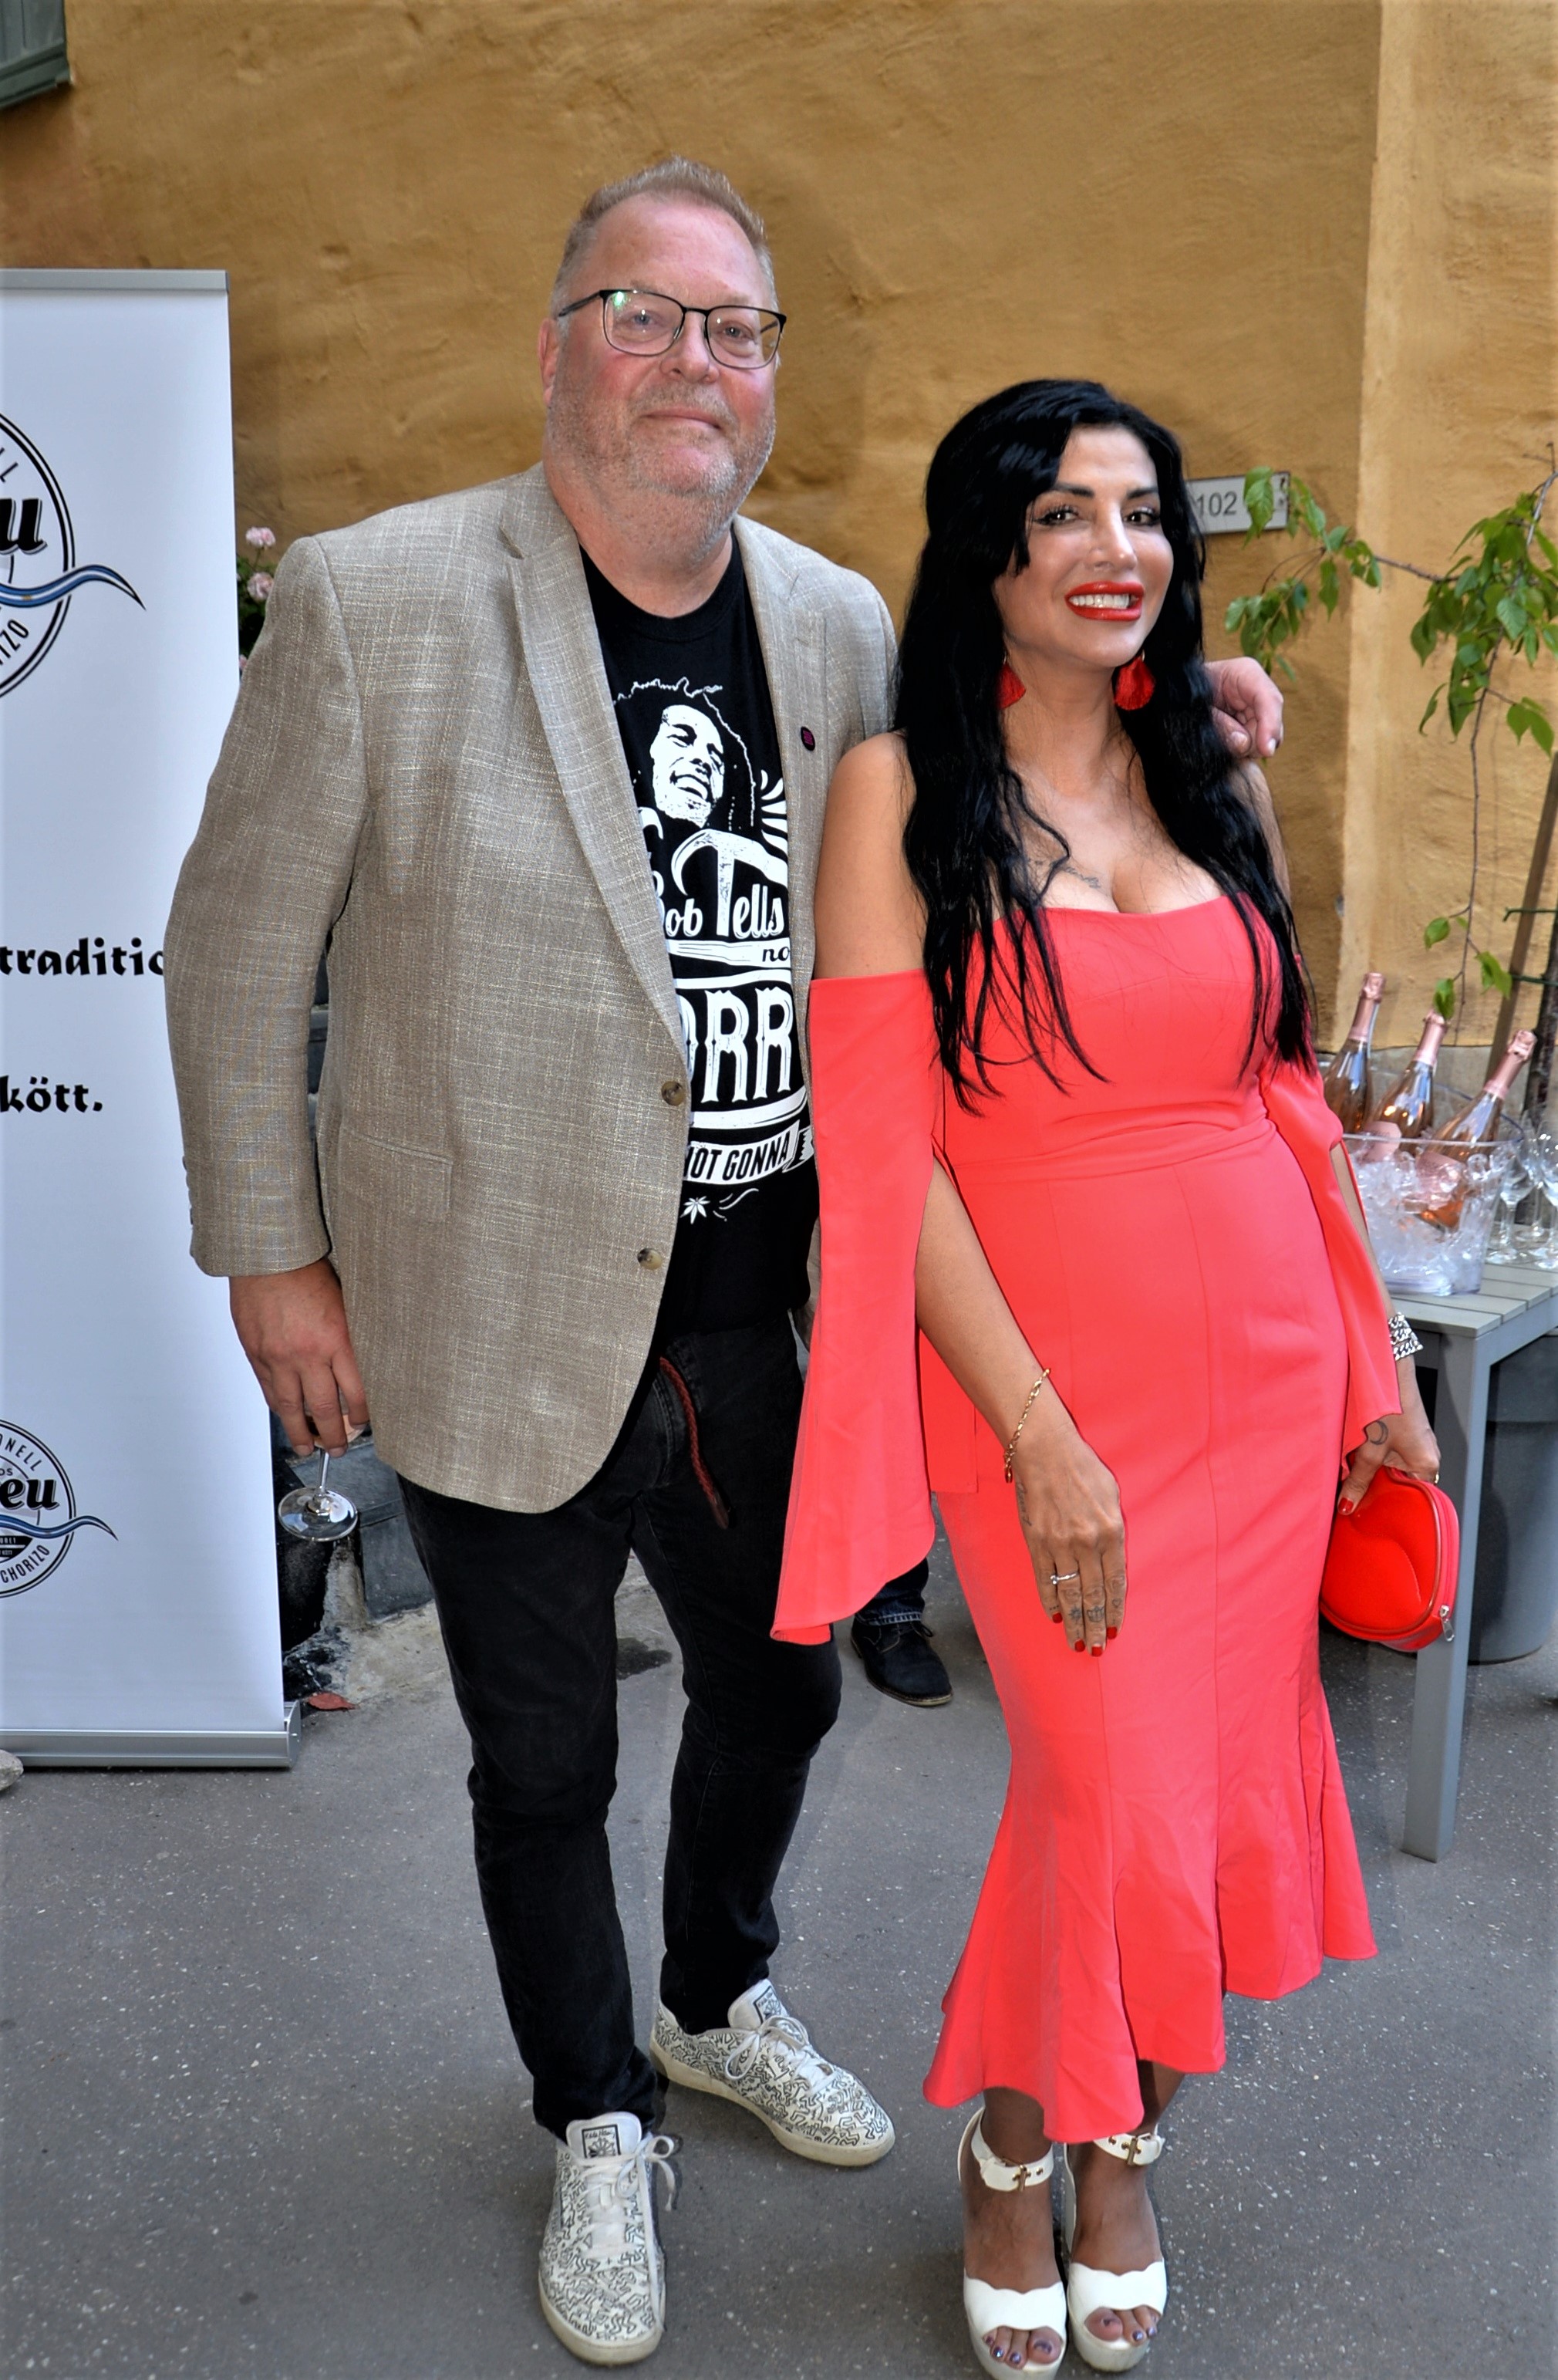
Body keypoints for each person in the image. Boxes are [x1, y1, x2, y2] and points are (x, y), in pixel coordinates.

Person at [164, 153, 1284, 2367]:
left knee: (776, 1691)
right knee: (544, 1761)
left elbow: (998, 757)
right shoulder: (383, 602)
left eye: (738, 329)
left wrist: (1184, 699)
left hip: (770, 1308)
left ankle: (707, 1998)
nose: (699, 362)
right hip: (490, 1301)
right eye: (648, 315)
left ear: (773, 377)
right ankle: (594, 2117)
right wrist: (270, 1259)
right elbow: (234, 948)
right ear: (557, 346)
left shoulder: (832, 618)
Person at [774, 379, 1438, 2376]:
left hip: (1268, 1377)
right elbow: (883, 1153)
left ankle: (1116, 2143)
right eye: (1060, 512)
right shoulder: (899, 792)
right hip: (1046, 1397)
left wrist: (1373, 1362)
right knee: (1107, 1793)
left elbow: (1282, 1094)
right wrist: (1040, 1436)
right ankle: (1014, 2148)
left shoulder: (1207, 772)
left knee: (1205, 1791)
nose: (1110, 549)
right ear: (985, 548)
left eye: (1141, 512)